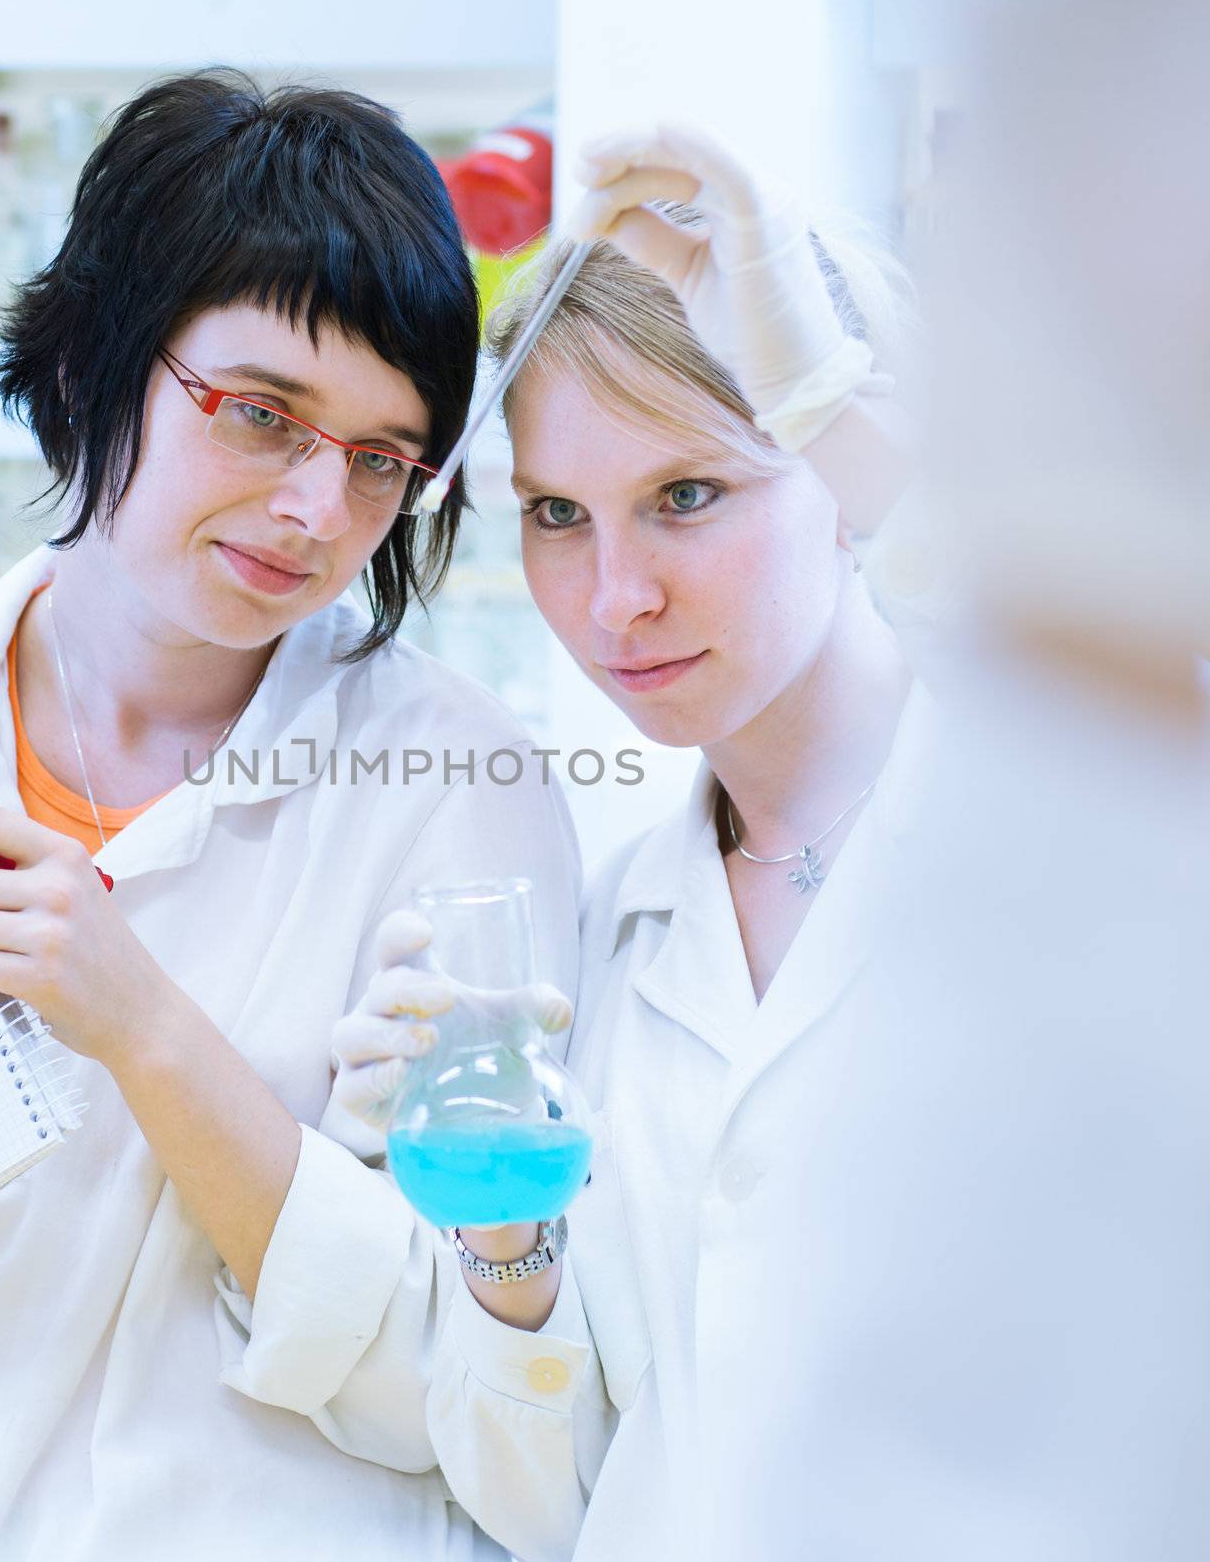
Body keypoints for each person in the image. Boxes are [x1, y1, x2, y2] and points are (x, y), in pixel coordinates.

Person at [0, 70, 580, 1562]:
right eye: (263, 416)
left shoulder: (461, 786)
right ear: (91, 358)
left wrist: (141, 1023)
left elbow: (458, 1380)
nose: (315, 512)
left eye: (381, 460)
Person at [326, 123, 917, 1561]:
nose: (616, 598)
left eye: (688, 497)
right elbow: (553, 1498)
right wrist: (495, 1225)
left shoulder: (1086, 846)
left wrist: (844, 409)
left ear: (840, 465)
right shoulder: (599, 939)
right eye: (556, 515)